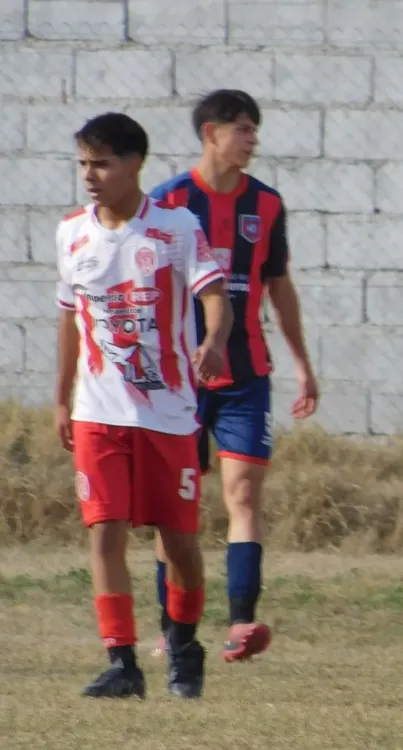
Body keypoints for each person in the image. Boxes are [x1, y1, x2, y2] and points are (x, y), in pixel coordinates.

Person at [54, 112, 234, 698]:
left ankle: (183, 644)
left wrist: (213, 339)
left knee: (177, 542)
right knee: (103, 531)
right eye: (84, 163)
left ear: (134, 165)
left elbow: (215, 295)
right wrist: (62, 399)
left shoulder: (176, 226)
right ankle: (123, 664)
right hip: (97, 414)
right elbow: (70, 322)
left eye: (101, 163)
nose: (90, 175)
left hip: (167, 414)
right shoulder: (71, 234)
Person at [148, 89, 319, 663]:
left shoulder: (267, 204)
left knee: (244, 493)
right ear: (211, 134)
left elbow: (280, 288)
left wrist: (302, 364)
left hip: (248, 375)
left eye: (254, 129)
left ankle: (242, 625)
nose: (252, 140)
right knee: (176, 509)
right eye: (243, 129)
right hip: (180, 382)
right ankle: (172, 629)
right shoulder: (168, 202)